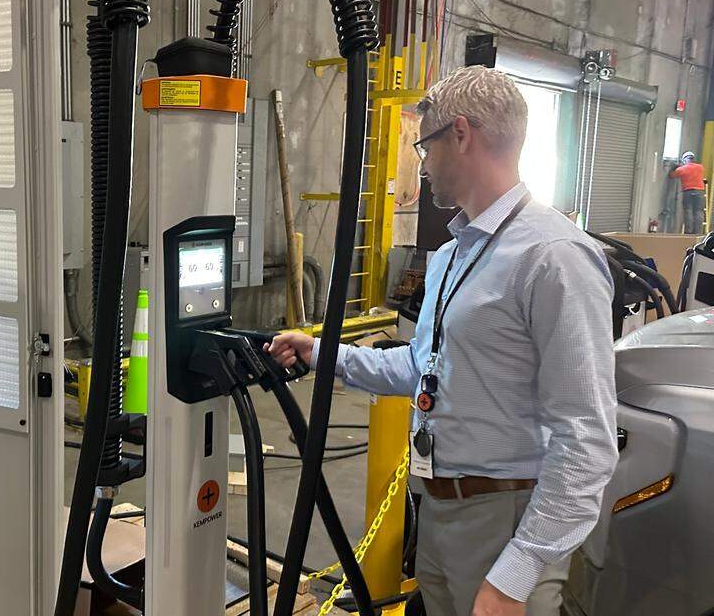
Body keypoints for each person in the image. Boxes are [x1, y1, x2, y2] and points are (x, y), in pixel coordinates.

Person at [265, 66, 618, 616]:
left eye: (424, 146)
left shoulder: (554, 257)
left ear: (460, 134)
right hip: (437, 511)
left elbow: (586, 437)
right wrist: (322, 354)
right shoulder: (454, 254)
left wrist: (515, 574)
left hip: (506, 520)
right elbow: (422, 368)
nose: (421, 164)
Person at [670, 151, 706, 234]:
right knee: (698, 211)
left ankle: (688, 232)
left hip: (688, 192)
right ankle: (697, 232)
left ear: (684, 160)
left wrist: (674, 167)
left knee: (688, 211)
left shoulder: (682, 169)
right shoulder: (700, 167)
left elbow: (672, 176)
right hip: (699, 191)